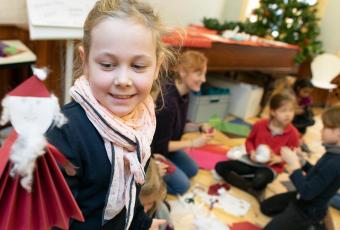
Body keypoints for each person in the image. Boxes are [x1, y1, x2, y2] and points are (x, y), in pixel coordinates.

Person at [46, 0, 174, 229]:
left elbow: (130, 197)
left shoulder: (141, 125)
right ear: (85, 61)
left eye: (138, 66)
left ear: (157, 66)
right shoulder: (65, 132)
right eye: (107, 65)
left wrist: (144, 224)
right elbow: (54, 219)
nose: (123, 80)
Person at [261, 105, 340, 230]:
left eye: (325, 127)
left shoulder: (335, 162)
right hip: (303, 197)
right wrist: (303, 163)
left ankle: (312, 225)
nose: (321, 130)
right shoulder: (334, 152)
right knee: (266, 207)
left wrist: (294, 166)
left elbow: (307, 192)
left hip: (308, 209)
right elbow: (319, 174)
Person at [151, 50, 214, 195]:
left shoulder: (184, 93)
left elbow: (179, 124)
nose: (203, 79)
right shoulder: (167, 102)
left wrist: (200, 126)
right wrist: (192, 144)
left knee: (192, 170)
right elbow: (161, 146)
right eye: (199, 74)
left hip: (167, 149)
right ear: (183, 72)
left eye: (204, 74)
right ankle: (151, 180)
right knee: (183, 185)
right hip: (155, 153)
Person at [215, 93, 300, 199]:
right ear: (273, 112)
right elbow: (249, 141)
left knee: (260, 179)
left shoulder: (293, 134)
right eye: (283, 111)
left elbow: (294, 156)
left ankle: (250, 183)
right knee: (220, 166)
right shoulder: (260, 124)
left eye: (291, 110)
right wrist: (251, 152)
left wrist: (280, 159)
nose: (288, 115)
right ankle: (249, 186)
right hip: (252, 162)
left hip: (270, 168)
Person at [140, 159, 174, 230]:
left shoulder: (160, 209)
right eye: (139, 206)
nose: (144, 211)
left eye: (149, 203)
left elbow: (169, 227)